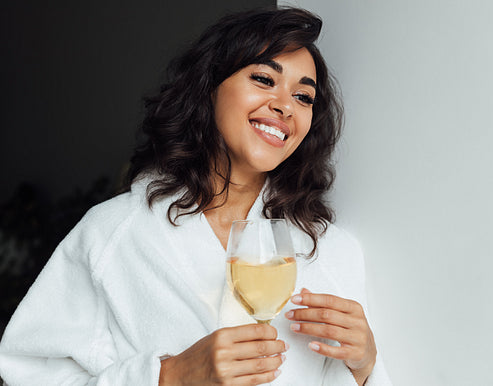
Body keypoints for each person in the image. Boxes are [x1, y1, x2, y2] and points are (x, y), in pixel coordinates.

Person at [0, 7, 392, 386]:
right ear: (208, 88)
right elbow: (26, 374)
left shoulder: (330, 250)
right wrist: (168, 377)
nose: (285, 106)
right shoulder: (112, 234)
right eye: (263, 79)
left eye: (304, 97)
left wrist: (363, 367)